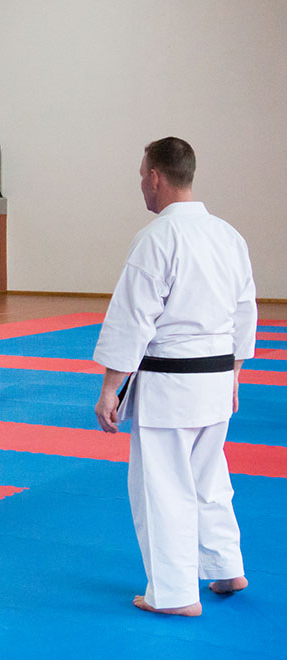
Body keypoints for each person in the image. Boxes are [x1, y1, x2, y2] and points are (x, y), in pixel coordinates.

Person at [93, 137, 256, 617]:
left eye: (141, 176)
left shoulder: (157, 238)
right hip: (216, 377)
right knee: (210, 477)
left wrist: (109, 389)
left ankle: (174, 594)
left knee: (162, 487)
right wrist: (235, 374)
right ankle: (226, 567)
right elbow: (245, 311)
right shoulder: (228, 235)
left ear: (156, 177)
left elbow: (132, 319)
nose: (141, 185)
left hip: (171, 384)